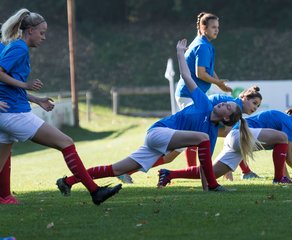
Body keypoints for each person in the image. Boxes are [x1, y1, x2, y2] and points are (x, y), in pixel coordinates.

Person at [56, 38, 258, 193]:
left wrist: (206, 187)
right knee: (201, 139)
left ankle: (67, 182)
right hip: (158, 132)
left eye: (228, 108)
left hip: (162, 145)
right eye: (226, 103)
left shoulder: (211, 133)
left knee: (117, 169)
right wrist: (180, 53)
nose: (224, 103)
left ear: (225, 119)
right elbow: (187, 76)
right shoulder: (204, 103)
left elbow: (204, 167)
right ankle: (214, 186)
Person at [0, 8, 121, 205]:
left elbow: (7, 85)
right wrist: (26, 85)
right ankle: (95, 191)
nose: (44, 37)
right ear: (29, 30)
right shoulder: (19, 48)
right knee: (66, 142)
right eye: (42, 32)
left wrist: (35, 99)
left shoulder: (15, 47)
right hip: (14, 114)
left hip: (7, 112)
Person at [118, 85, 263, 184]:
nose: (255, 108)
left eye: (257, 106)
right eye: (254, 103)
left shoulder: (235, 113)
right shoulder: (232, 108)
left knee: (169, 157)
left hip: (196, 125)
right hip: (191, 121)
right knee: (169, 155)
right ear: (244, 97)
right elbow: (228, 138)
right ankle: (126, 170)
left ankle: (126, 171)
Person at [157, 106, 292, 186]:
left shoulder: (285, 121)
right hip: (240, 134)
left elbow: (280, 155)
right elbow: (287, 157)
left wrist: (288, 176)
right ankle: (278, 180)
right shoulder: (290, 124)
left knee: (210, 173)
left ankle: (169, 174)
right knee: (282, 137)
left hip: (236, 138)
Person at [174, 12, 232, 167]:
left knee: (198, 133)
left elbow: (208, 70)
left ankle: (194, 169)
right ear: (203, 28)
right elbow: (201, 73)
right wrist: (218, 82)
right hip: (188, 95)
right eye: (213, 27)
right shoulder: (203, 46)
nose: (217, 30)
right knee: (188, 138)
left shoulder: (203, 43)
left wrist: (219, 83)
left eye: (218, 27)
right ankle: (133, 166)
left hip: (190, 95)